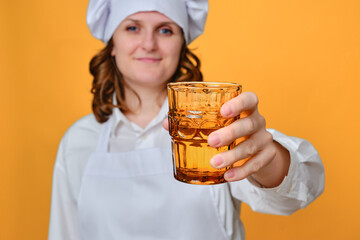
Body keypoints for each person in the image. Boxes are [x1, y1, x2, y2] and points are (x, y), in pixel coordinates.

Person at [48, 0, 325, 239]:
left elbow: (299, 192)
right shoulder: (78, 141)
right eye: (132, 27)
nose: (148, 44)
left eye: (165, 30)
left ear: (182, 43)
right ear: (112, 43)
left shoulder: (217, 129)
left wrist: (266, 158)